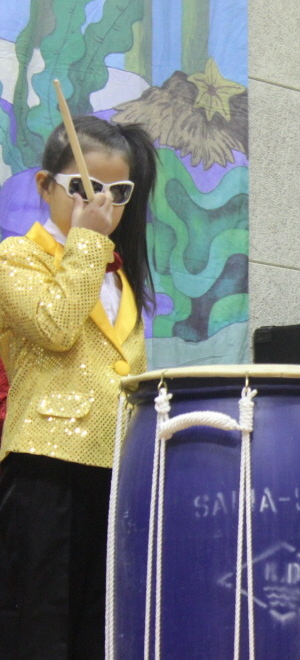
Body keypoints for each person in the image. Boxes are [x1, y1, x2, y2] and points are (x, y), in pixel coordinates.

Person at [0, 115, 157, 660]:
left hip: (116, 468)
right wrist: (89, 241)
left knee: (101, 622)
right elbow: (56, 326)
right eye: (84, 189)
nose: (102, 204)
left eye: (119, 192)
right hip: (47, 466)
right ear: (45, 186)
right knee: (41, 623)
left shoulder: (117, 275)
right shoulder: (16, 257)